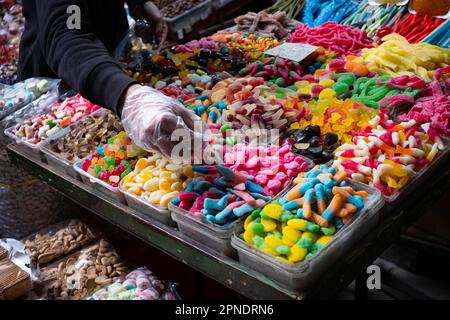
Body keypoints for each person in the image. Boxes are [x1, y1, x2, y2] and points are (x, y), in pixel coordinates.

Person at [18, 0, 202, 159]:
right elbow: (69, 31)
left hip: (110, 49)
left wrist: (139, 3)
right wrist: (129, 97)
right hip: (61, 76)